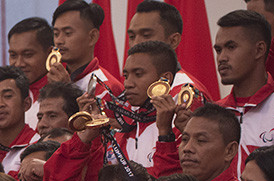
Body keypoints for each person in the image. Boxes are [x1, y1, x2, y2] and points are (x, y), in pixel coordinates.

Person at [216, 10, 274, 169]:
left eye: (231, 47)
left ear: (259, 50)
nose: (222, 57)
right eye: (218, 50)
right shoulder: (214, 113)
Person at [115, 41, 181, 169]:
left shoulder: (180, 127)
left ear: (165, 79)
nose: (128, 83)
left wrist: (165, 134)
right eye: (126, 76)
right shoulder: (125, 125)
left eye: (138, 74)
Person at [127, 1, 211, 97]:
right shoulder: (129, 92)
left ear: (173, 41)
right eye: (132, 36)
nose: (136, 44)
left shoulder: (187, 94)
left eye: (146, 35)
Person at [49, 0, 123, 98]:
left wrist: (66, 90)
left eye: (67, 33)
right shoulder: (52, 80)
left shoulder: (107, 88)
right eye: (56, 34)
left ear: (92, 37)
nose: (59, 41)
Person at [8, 18, 55, 130]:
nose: (19, 63)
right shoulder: (4, 98)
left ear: (49, 53)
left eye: (28, 55)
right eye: (13, 55)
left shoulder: (63, 94)